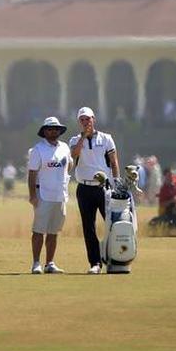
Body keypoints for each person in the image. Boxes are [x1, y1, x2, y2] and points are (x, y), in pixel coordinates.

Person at [68, 106, 119, 274]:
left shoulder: (106, 138)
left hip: (103, 187)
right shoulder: (75, 140)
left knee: (112, 225)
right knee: (88, 227)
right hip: (84, 188)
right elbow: (74, 155)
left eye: (88, 119)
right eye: (82, 120)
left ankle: (115, 259)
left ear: (93, 119)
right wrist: (83, 137)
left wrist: (116, 182)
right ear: (79, 122)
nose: (85, 122)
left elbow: (113, 161)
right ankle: (95, 263)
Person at [27, 116, 72, 274]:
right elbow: (32, 174)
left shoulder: (65, 148)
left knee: (53, 231)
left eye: (56, 129)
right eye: (50, 129)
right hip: (43, 195)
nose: (53, 131)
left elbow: (69, 165)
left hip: (60, 196)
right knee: (39, 230)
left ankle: (50, 263)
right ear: (44, 132)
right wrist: (33, 195)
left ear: (59, 131)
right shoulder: (38, 150)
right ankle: (36, 263)